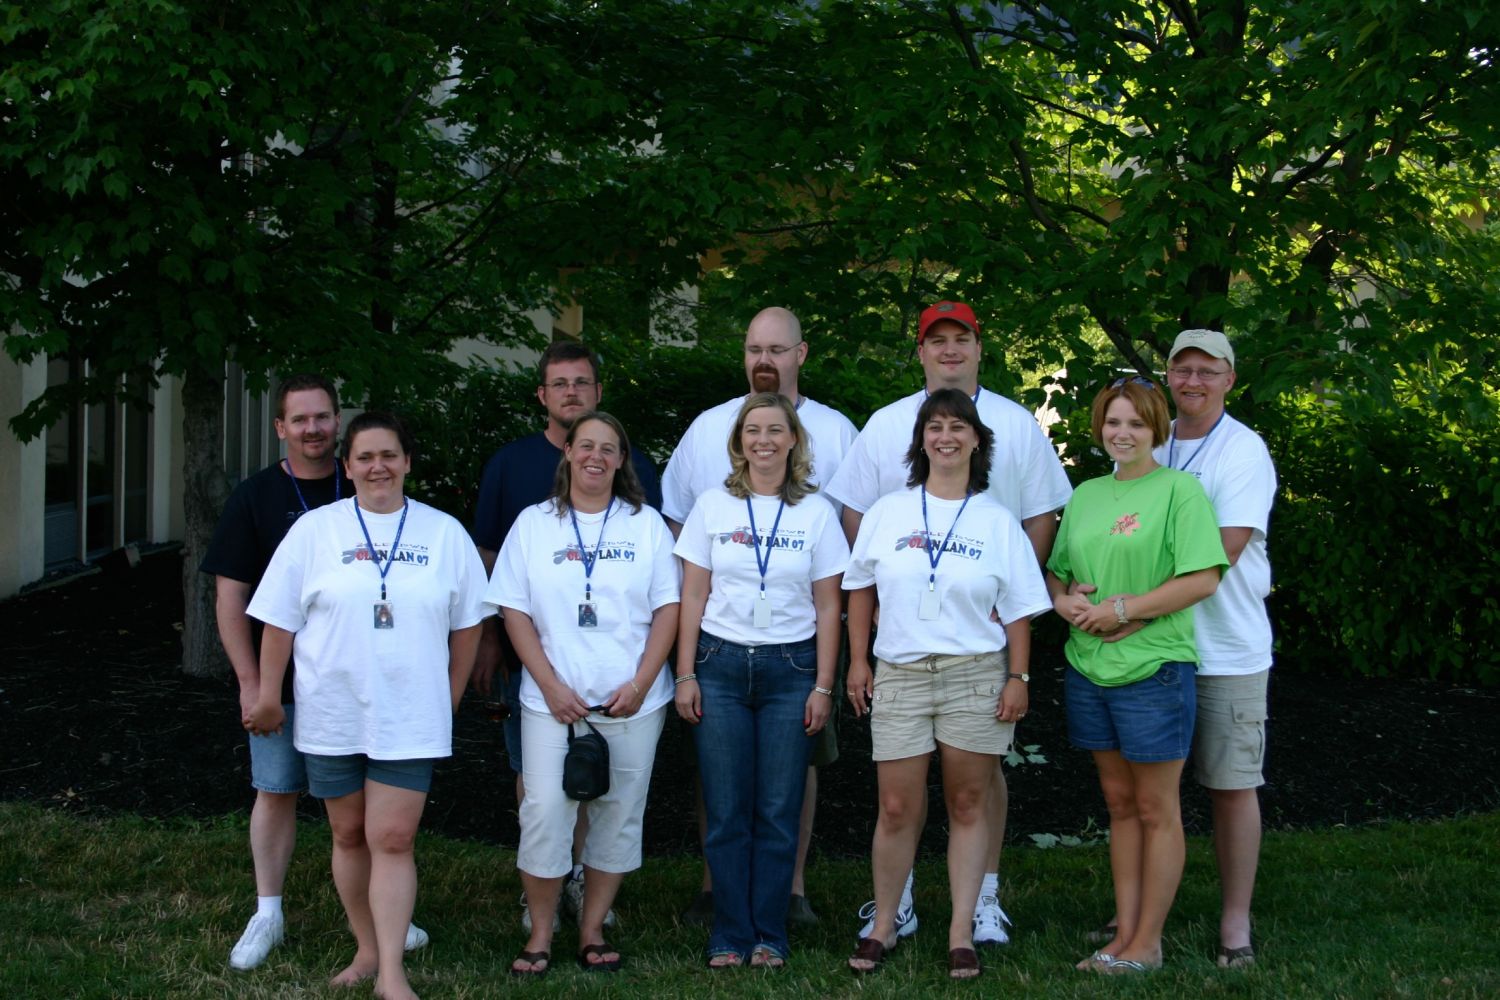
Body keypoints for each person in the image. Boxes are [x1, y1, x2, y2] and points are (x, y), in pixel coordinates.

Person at [825, 300, 1072, 944]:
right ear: (921, 351)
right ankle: (898, 900)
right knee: (899, 795)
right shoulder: (886, 423)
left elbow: (1042, 513)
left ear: (979, 347)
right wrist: (890, 593)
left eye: (962, 338)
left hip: (978, 639)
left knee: (979, 785)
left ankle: (982, 901)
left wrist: (1007, 590)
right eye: (937, 340)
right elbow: (855, 516)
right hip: (905, 646)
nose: (951, 350)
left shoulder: (1017, 424)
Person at [244, 411, 487, 1000]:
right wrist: (268, 694)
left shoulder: (444, 533)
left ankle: (392, 977)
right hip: (332, 710)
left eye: (389, 455)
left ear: (407, 462)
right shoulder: (315, 531)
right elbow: (278, 621)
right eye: (365, 457)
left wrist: (449, 698)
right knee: (349, 834)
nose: (378, 467)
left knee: (394, 838)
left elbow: (468, 627)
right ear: (347, 467)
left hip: (410, 715)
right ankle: (368, 949)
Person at [200, 375, 429, 970]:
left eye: (323, 417)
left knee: (367, 812)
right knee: (277, 788)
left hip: (364, 682)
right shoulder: (256, 496)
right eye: (299, 419)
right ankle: (268, 911)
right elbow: (232, 597)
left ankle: (384, 915)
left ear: (338, 423)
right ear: (280, 427)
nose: (313, 429)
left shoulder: (361, 477)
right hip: (283, 680)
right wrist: (252, 684)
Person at [1081, 330, 1277, 967]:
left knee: (1229, 785)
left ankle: (1234, 922)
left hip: (1222, 645)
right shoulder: (1148, 438)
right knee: (1141, 798)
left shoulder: (1242, 451)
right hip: (1147, 651)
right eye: (1182, 369)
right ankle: (1135, 917)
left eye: (1208, 371)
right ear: (1167, 377)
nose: (1194, 381)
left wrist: (1128, 612)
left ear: (1229, 379)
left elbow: (1223, 553)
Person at [842, 388, 1051, 980]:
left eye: (958, 426)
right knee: (896, 806)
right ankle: (885, 923)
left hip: (974, 675)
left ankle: (961, 932)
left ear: (977, 440)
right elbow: (859, 589)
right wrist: (858, 662)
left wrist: (1018, 676)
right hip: (901, 673)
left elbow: (1019, 609)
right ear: (921, 441)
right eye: (934, 427)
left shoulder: (997, 520)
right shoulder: (888, 512)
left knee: (967, 803)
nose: (946, 436)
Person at [661, 305, 856, 927]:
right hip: (720, 644)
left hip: (799, 644)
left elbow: (857, 531)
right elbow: (676, 524)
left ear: (801, 354)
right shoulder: (707, 429)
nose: (763, 360)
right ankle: (716, 889)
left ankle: (789, 891)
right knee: (717, 771)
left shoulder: (838, 432)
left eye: (776, 349)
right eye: (753, 349)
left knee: (794, 770)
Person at [470, 340, 661, 931]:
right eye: (560, 383)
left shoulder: (644, 510)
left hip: (626, 686)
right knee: (543, 797)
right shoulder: (519, 486)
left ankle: (586, 903)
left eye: (582, 382)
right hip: (541, 674)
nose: (571, 392)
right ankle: (544, 899)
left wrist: (646, 680)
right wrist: (499, 648)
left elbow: (668, 601)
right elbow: (498, 575)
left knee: (613, 804)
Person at [487, 411, 680, 976]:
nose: (596, 456)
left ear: (621, 461)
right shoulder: (533, 524)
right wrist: (549, 685)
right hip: (552, 702)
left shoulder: (646, 525)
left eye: (609, 448)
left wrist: (640, 683)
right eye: (586, 445)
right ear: (568, 452)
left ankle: (592, 929)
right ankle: (541, 932)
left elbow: (669, 608)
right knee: (545, 811)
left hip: (632, 700)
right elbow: (514, 610)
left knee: (619, 814)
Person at [1044, 377, 1227, 975]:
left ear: (1158, 429)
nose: (1122, 433)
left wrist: (1123, 610)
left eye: (1136, 423)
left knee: (1155, 808)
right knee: (1120, 805)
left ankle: (1148, 943)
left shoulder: (1180, 492)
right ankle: (1123, 935)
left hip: (1154, 669)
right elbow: (1057, 573)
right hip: (1088, 667)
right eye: (1113, 422)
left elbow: (1203, 578)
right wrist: (1066, 602)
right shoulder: (1087, 494)